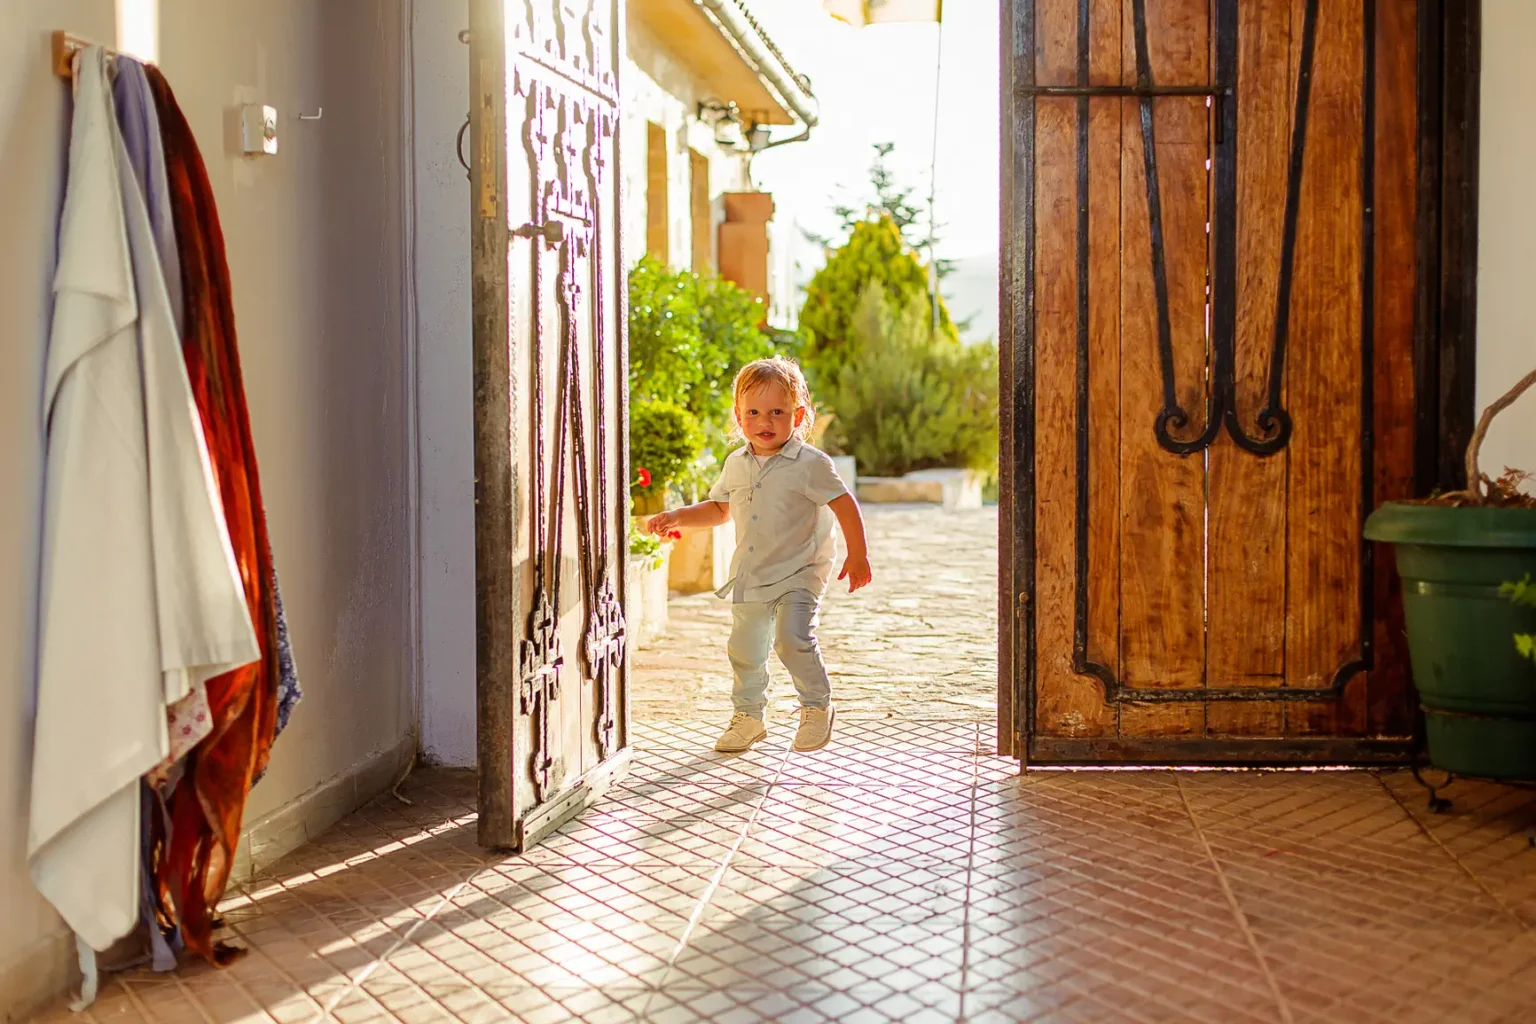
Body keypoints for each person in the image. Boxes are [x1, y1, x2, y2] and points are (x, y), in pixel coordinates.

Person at [646, 357, 872, 753]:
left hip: (800, 572)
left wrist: (858, 555)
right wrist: (679, 515)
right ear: (738, 415)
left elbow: (843, 503)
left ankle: (817, 707)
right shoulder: (736, 464)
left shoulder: (810, 464)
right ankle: (749, 717)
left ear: (798, 415)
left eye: (777, 412)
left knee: (791, 638)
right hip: (751, 574)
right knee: (745, 650)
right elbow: (719, 509)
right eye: (753, 412)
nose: (764, 421)